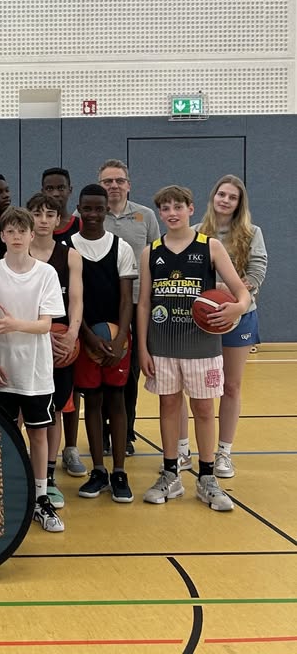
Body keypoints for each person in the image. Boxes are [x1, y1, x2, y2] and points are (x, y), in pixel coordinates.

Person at [139, 185, 250, 511]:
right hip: (162, 345)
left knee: (203, 409)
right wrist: (143, 348)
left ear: (190, 209)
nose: (172, 213)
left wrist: (237, 308)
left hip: (202, 345)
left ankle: (207, 478)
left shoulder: (210, 246)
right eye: (165, 208)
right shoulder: (150, 251)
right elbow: (144, 304)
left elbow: (241, 292)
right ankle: (170, 474)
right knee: (168, 406)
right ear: (160, 213)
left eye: (178, 207)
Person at [0, 206, 66, 532]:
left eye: (22, 231)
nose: (17, 236)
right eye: (11, 231)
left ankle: (40, 498)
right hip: (0, 370)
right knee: (3, 435)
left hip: (35, 371)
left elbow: (45, 325)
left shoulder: (46, 274)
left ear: (33, 235)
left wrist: (13, 324)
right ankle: (6, 494)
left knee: (38, 434)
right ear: (2, 236)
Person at [184, 175, 267, 479]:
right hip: (202, 318)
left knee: (231, 386)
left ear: (239, 203)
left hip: (239, 315)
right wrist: (215, 291)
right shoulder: (196, 232)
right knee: (195, 386)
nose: (226, 200)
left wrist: (235, 297)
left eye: (232, 197)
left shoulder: (251, 233)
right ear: (213, 197)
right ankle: (184, 450)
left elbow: (257, 271)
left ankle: (224, 453)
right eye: (222, 194)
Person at [70, 184, 137, 503]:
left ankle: (119, 471)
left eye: (99, 208)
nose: (93, 214)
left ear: (107, 210)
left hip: (116, 338)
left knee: (117, 400)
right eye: (88, 208)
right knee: (93, 401)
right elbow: (71, 300)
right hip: (85, 338)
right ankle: (98, 469)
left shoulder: (121, 247)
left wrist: (121, 338)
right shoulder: (69, 247)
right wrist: (87, 336)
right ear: (79, 209)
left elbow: (126, 299)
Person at [99, 159, 161, 457]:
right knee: (99, 369)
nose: (113, 186)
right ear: (100, 186)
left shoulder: (145, 216)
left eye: (119, 180)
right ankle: (101, 432)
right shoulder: (87, 214)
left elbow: (158, 258)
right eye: (107, 181)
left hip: (137, 304)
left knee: (129, 372)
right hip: (101, 305)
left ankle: (125, 432)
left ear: (128, 185)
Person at [27, 193, 84, 508]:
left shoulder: (70, 255)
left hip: (60, 341)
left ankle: (48, 478)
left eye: (50, 214)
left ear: (59, 219)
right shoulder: (19, 252)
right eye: (38, 214)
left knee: (55, 410)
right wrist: (39, 332)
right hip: (28, 339)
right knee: (23, 410)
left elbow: (76, 300)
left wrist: (72, 333)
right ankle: (23, 471)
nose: (43, 220)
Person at [42, 167, 81, 247]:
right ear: (43, 192)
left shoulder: (80, 226)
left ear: (70, 190)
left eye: (61, 188)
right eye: (49, 188)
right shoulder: (32, 226)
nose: (55, 194)